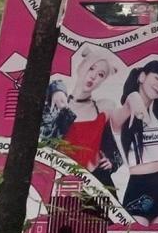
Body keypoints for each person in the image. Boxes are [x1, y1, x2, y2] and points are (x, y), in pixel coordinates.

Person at [43, 46, 123, 188]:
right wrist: (55, 89)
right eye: (91, 68)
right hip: (62, 180)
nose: (93, 76)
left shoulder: (104, 107)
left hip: (97, 184)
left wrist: (114, 161)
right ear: (81, 68)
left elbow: (124, 136)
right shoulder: (58, 102)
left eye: (101, 74)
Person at [111, 60, 158, 227]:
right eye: (157, 78)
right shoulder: (123, 113)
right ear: (142, 76)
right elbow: (126, 108)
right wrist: (133, 97)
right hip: (138, 187)